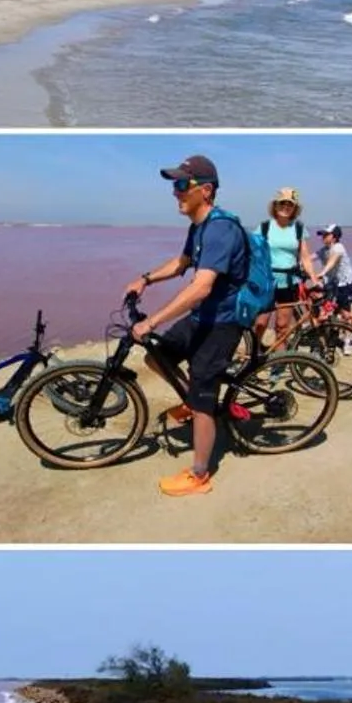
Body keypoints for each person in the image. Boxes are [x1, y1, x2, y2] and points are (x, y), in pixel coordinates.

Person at [123, 154, 246, 500]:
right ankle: (194, 402)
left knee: (204, 398)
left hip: (223, 323)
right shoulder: (199, 226)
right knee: (157, 357)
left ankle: (200, 474)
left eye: (181, 185)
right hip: (201, 317)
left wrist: (153, 320)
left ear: (205, 191)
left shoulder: (221, 229)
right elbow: (183, 263)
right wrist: (145, 279)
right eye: (174, 185)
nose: (175, 193)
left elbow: (201, 286)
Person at [259, 187, 318, 342]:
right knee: (260, 323)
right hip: (266, 282)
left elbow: (305, 257)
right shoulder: (264, 227)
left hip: (289, 283)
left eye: (290, 204)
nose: (286, 206)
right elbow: (253, 254)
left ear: (294, 208)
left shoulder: (298, 228)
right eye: (282, 203)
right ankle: (253, 358)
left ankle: (279, 361)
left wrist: (314, 278)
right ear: (275, 205)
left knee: (282, 325)